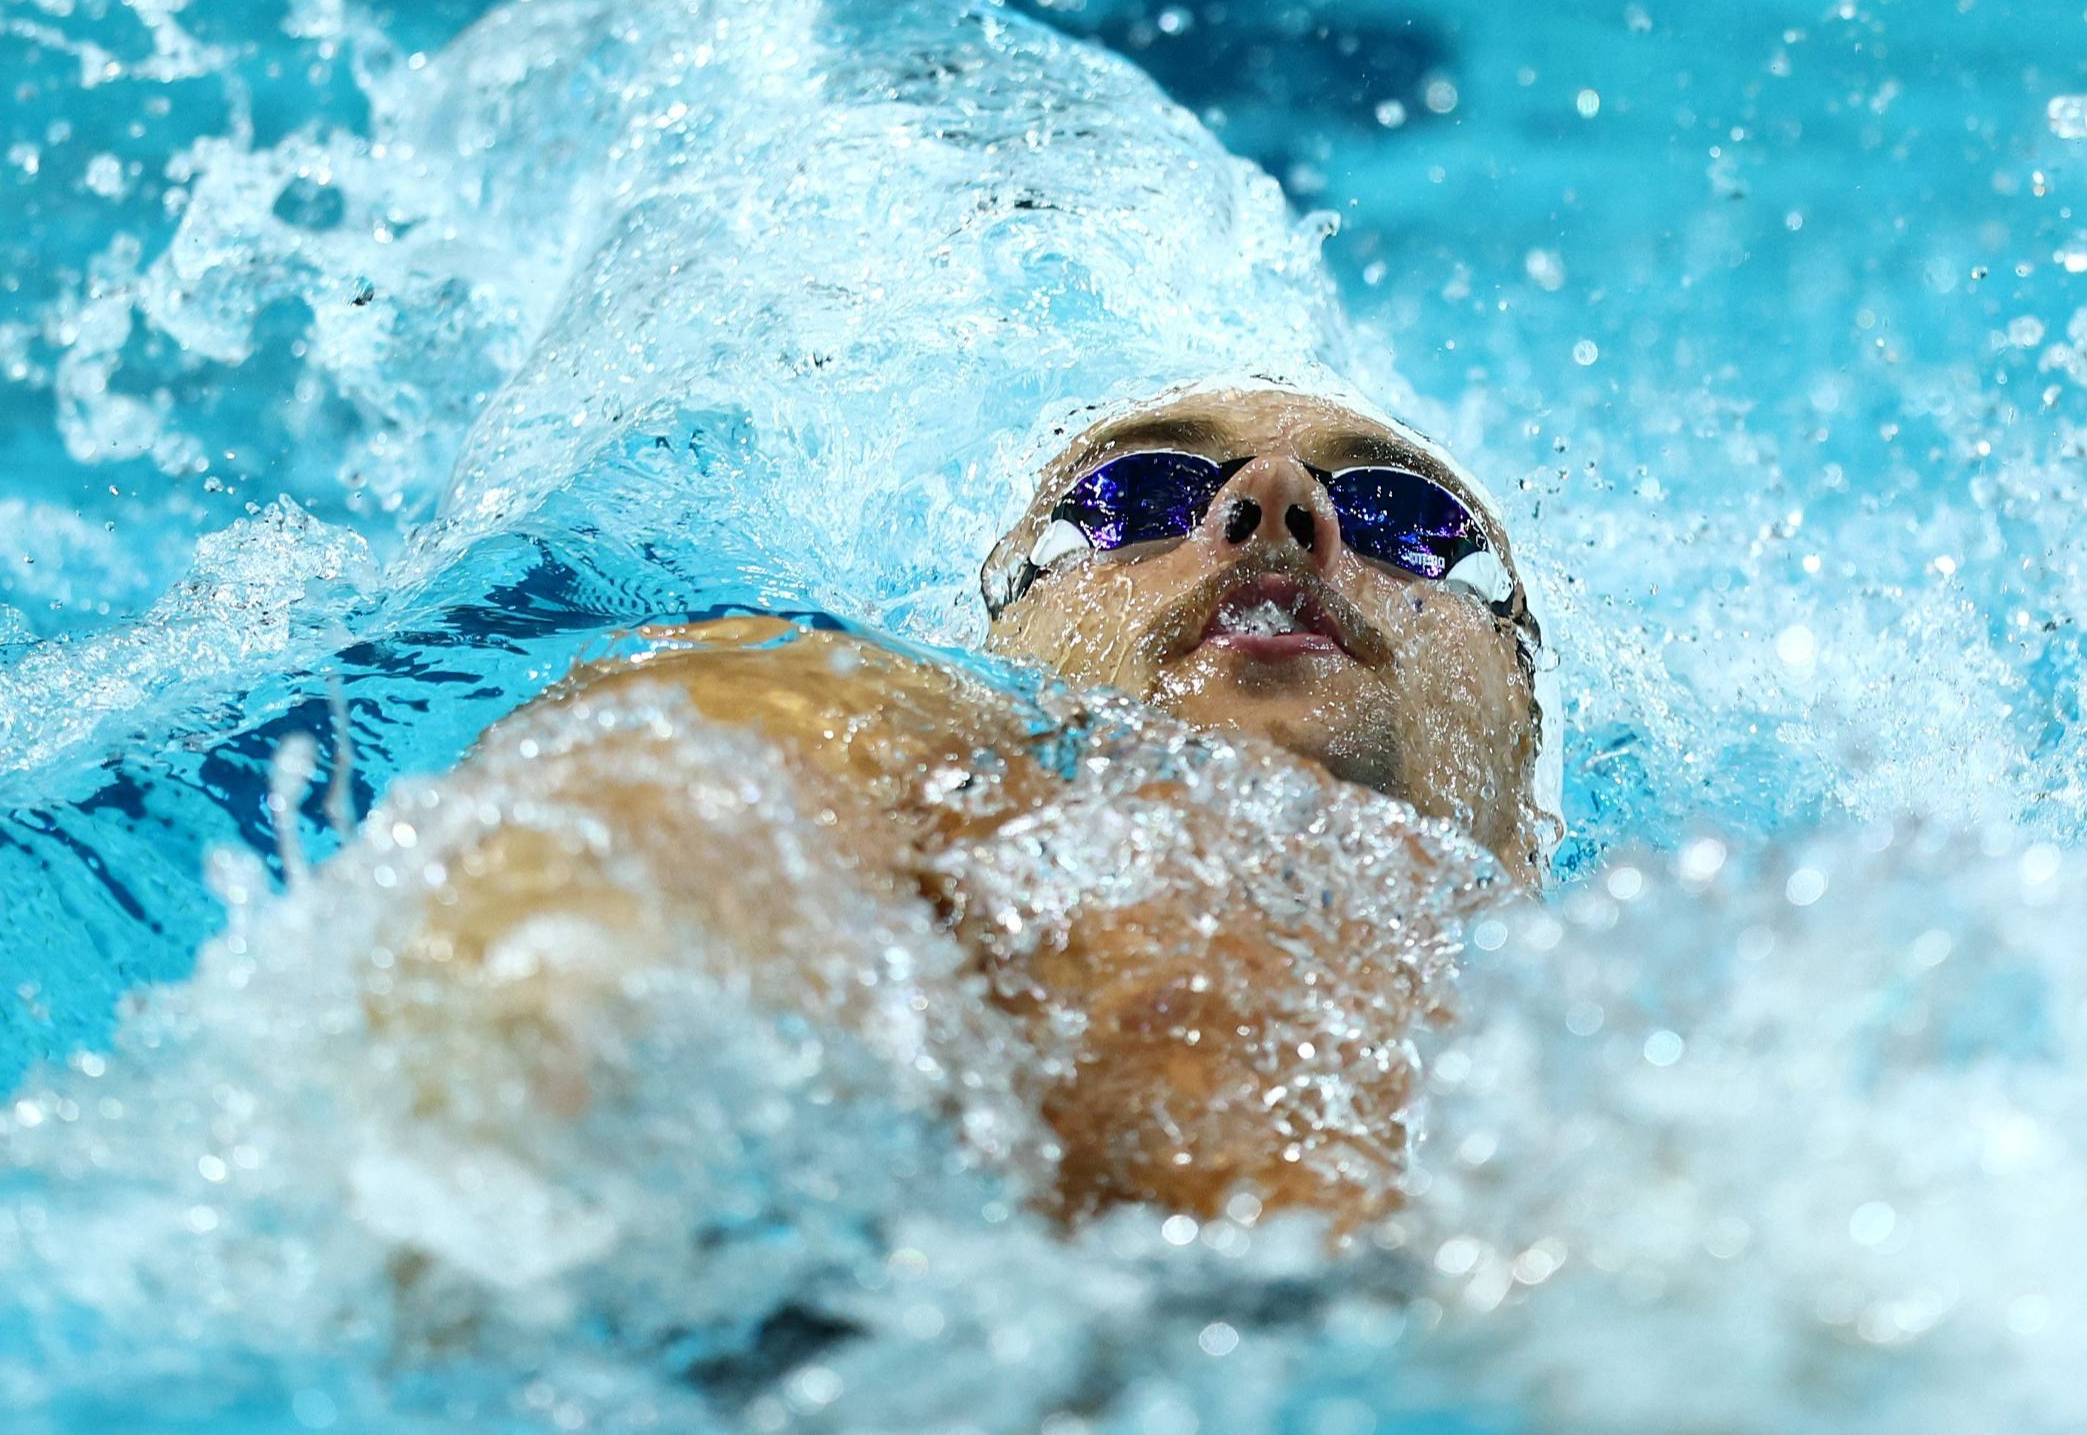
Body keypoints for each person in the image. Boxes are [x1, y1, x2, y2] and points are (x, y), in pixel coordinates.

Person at [376, 376, 1551, 1227]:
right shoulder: (842, 723)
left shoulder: (1650, 1023)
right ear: (1000, 643)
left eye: (1410, 519)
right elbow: (643, 834)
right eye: (1131, 497)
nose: (1275, 501)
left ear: (1526, 798)